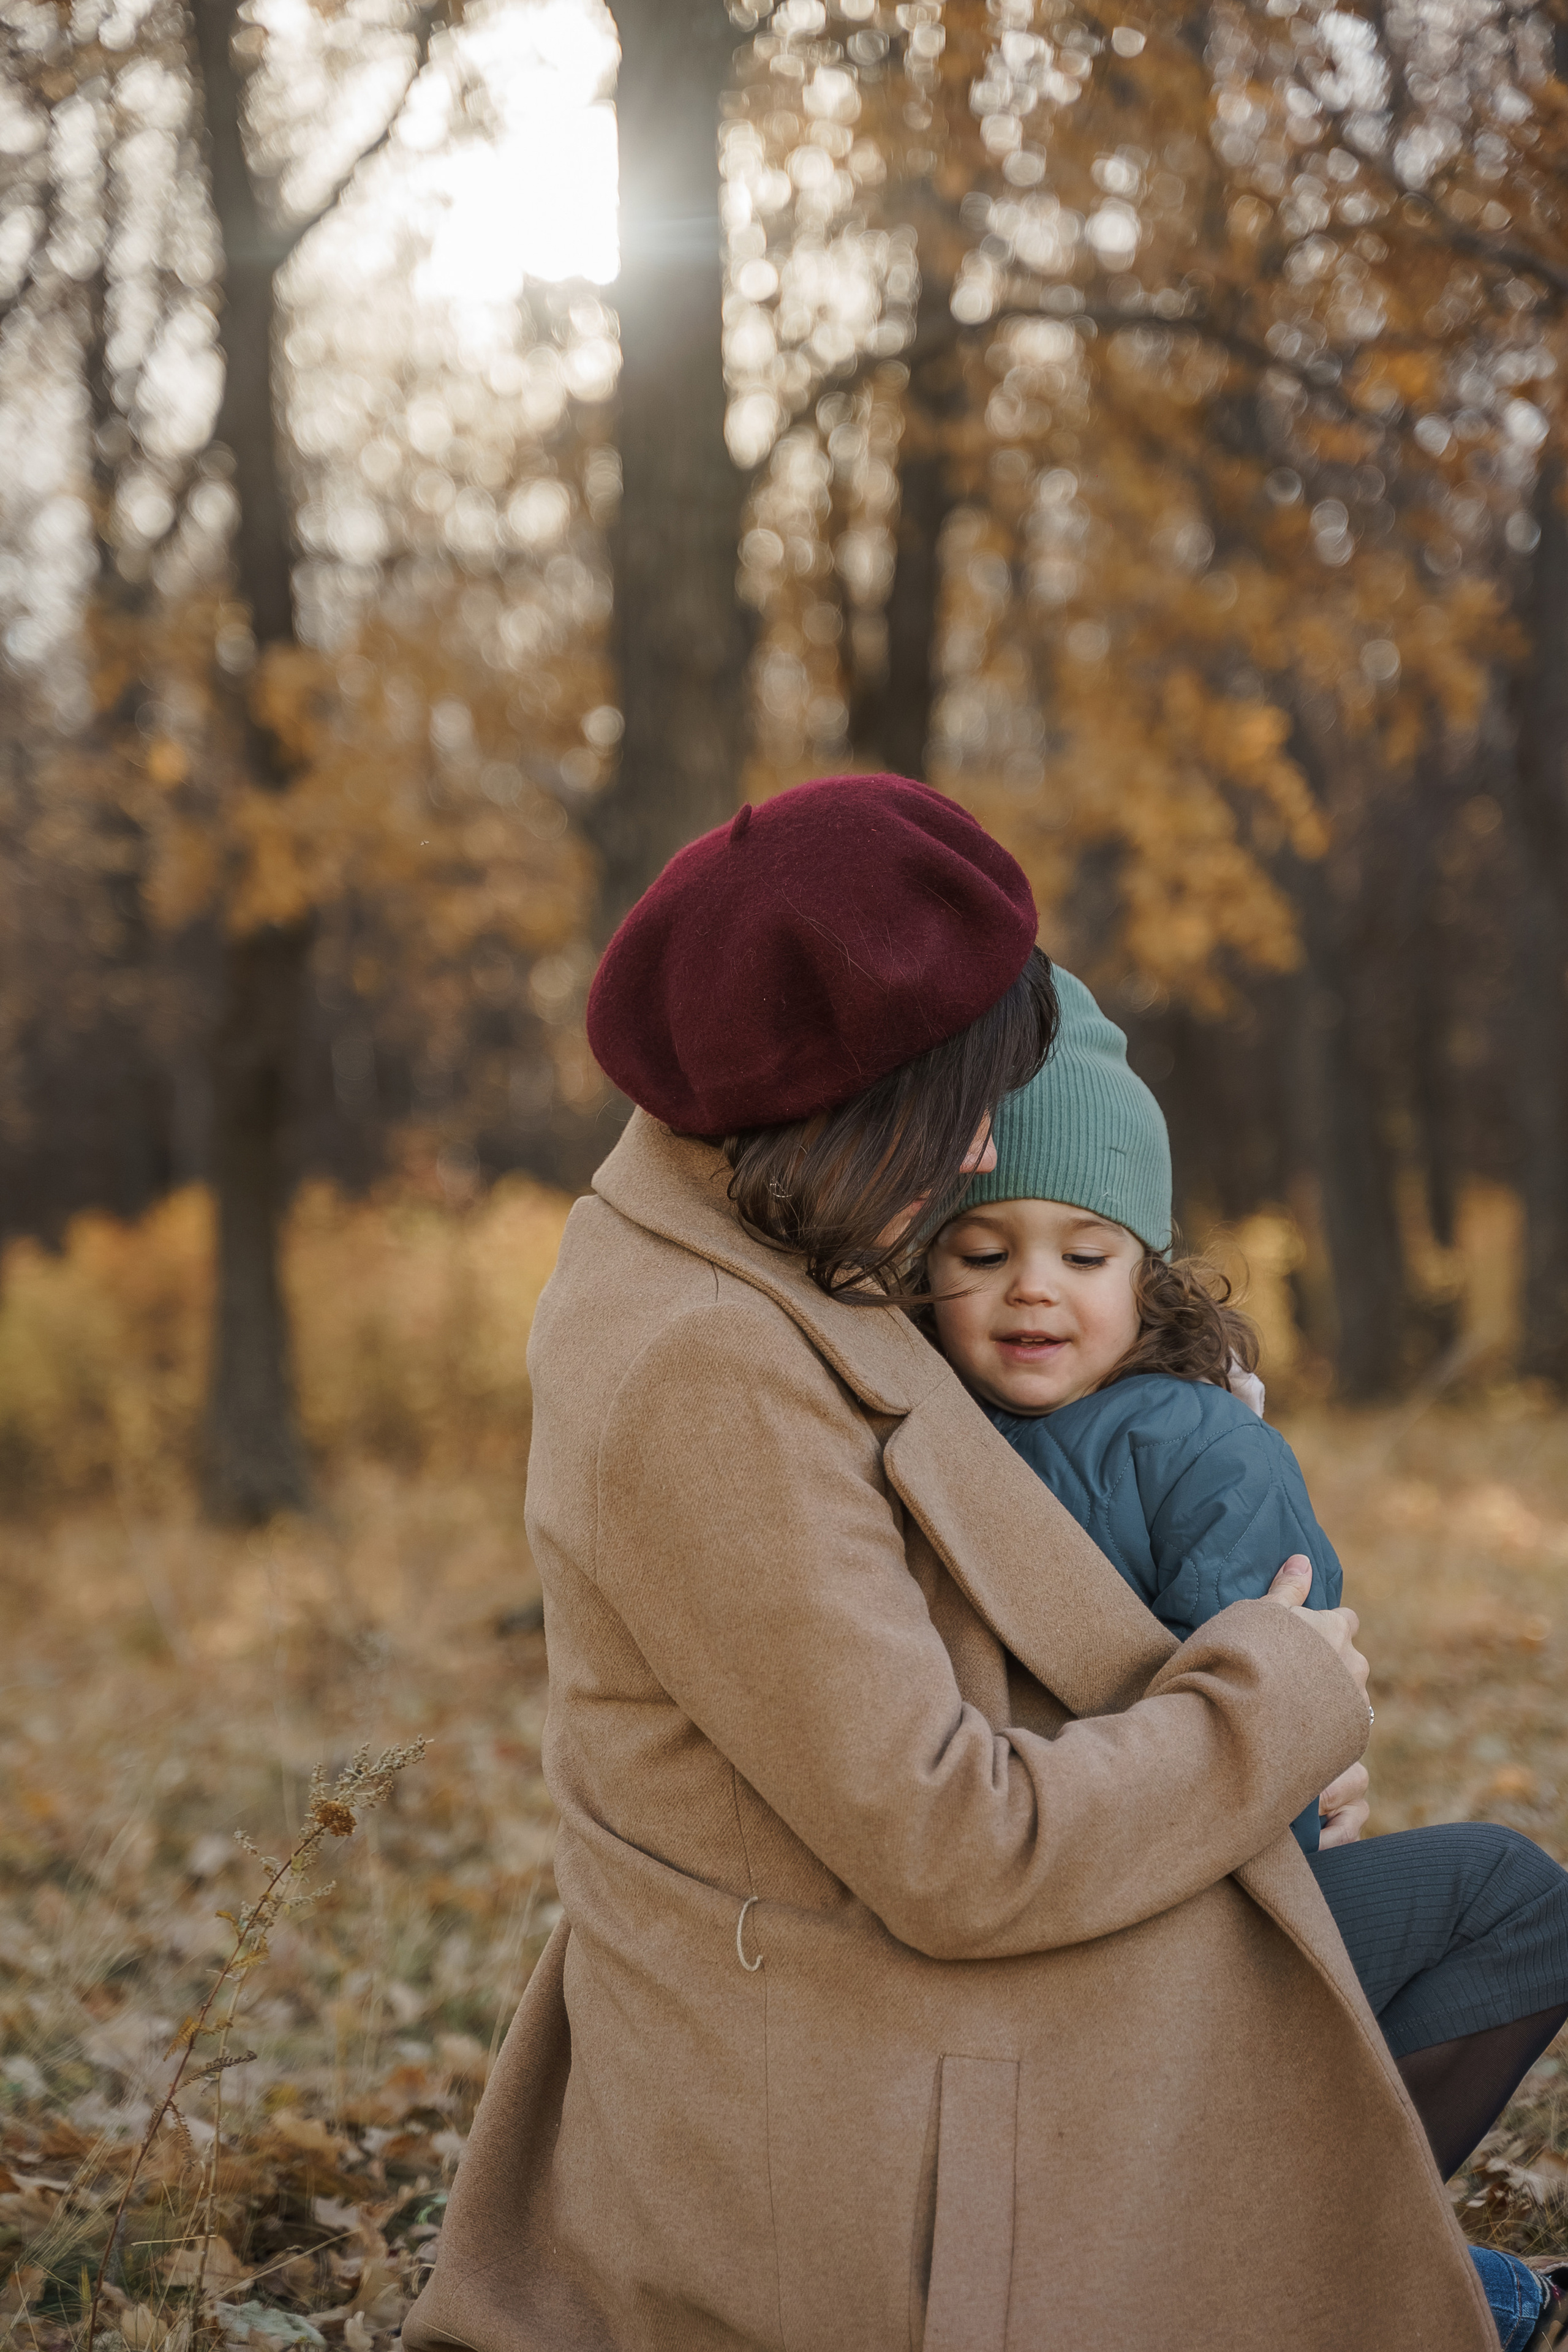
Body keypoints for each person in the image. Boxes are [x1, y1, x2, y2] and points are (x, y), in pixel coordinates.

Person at [403, 775, 1503, 2352]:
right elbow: (950, 1850)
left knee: (1463, 1898)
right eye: (963, 1103)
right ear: (848, 1093)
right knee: (1435, 1929)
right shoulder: (705, 1368)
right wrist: (1275, 1699)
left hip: (838, 1981)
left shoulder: (742, 1236)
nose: (986, 1145)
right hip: (851, 2066)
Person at [924, 965, 1568, 2346]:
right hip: (1109, 1913)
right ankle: (1353, 2272)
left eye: (1082, 1256)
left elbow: (1283, 1679)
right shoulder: (950, 1434)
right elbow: (1279, 1736)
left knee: (1505, 1887)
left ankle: (1332, 2243)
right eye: (981, 1255)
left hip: (1135, 1894)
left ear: (1144, 1272)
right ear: (922, 1267)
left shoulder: (1192, 1447)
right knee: (1512, 1897)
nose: (1031, 1290)